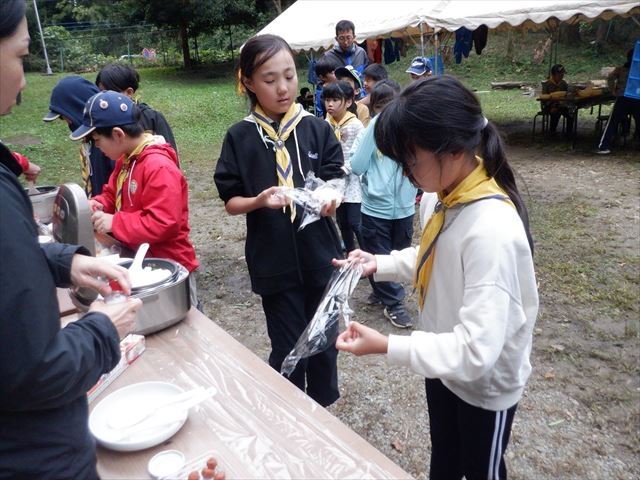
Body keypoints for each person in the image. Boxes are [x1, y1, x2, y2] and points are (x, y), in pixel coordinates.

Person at [335, 75, 538, 480]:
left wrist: (387, 345)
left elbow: (478, 352)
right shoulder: (442, 195)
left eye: (410, 159)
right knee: (444, 461)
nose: (406, 171)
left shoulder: (492, 229)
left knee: (480, 470)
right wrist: (381, 263)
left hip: (483, 387)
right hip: (442, 364)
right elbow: (435, 257)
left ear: (453, 147)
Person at [0, 2, 142, 478]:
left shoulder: (148, 161)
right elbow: (33, 369)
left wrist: (61, 260)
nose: (23, 79)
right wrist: (103, 327)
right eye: (21, 56)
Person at [214, 34, 345, 407]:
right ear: (249, 83)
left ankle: (322, 409)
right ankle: (290, 409)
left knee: (323, 343)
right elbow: (230, 202)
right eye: (270, 80)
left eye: (288, 76)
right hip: (273, 262)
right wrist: (257, 201)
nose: (283, 88)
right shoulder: (240, 137)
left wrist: (331, 196)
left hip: (321, 257)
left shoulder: (317, 128)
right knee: (287, 347)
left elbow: (337, 177)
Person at [70, 91, 199, 307]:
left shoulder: (158, 167)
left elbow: (163, 223)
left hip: (169, 266)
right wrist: (101, 203)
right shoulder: (127, 160)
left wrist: (115, 222)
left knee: (185, 327)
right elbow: (113, 192)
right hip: (142, 261)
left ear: (118, 134)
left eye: (98, 141)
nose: (98, 148)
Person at [350, 79, 417, 329]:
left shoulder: (410, 130)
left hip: (405, 208)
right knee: (379, 253)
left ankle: (381, 290)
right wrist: (375, 126)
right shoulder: (372, 130)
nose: (387, 110)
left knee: (396, 255)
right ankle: (394, 304)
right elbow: (357, 166)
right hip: (375, 210)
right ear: (375, 107)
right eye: (381, 106)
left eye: (392, 104)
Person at [43, 75, 115, 196]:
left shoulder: (109, 143)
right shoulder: (90, 142)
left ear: (80, 107)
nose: (68, 123)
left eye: (65, 117)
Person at [95, 63, 178, 153]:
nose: (104, 99)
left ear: (129, 92)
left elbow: (170, 154)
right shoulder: (101, 121)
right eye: (101, 93)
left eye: (111, 94)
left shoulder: (152, 118)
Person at [323, 80, 365, 254]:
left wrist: (346, 168)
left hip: (353, 178)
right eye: (326, 100)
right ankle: (350, 255)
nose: (329, 104)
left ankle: (366, 253)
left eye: (334, 100)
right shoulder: (326, 124)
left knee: (356, 221)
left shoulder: (356, 125)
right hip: (335, 180)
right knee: (343, 222)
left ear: (348, 102)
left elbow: (359, 152)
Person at [597, 48, 640, 154]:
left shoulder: (621, 69)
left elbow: (610, 78)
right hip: (636, 99)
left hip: (623, 98)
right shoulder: (636, 70)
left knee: (612, 122)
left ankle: (604, 146)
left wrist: (613, 90)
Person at [541, 64, 574, 136]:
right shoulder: (547, 84)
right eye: (559, 74)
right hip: (549, 106)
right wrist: (552, 105)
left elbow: (567, 95)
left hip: (562, 105)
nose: (562, 76)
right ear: (553, 74)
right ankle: (552, 132)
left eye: (563, 74)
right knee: (555, 113)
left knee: (571, 114)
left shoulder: (564, 83)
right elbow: (543, 99)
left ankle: (569, 133)